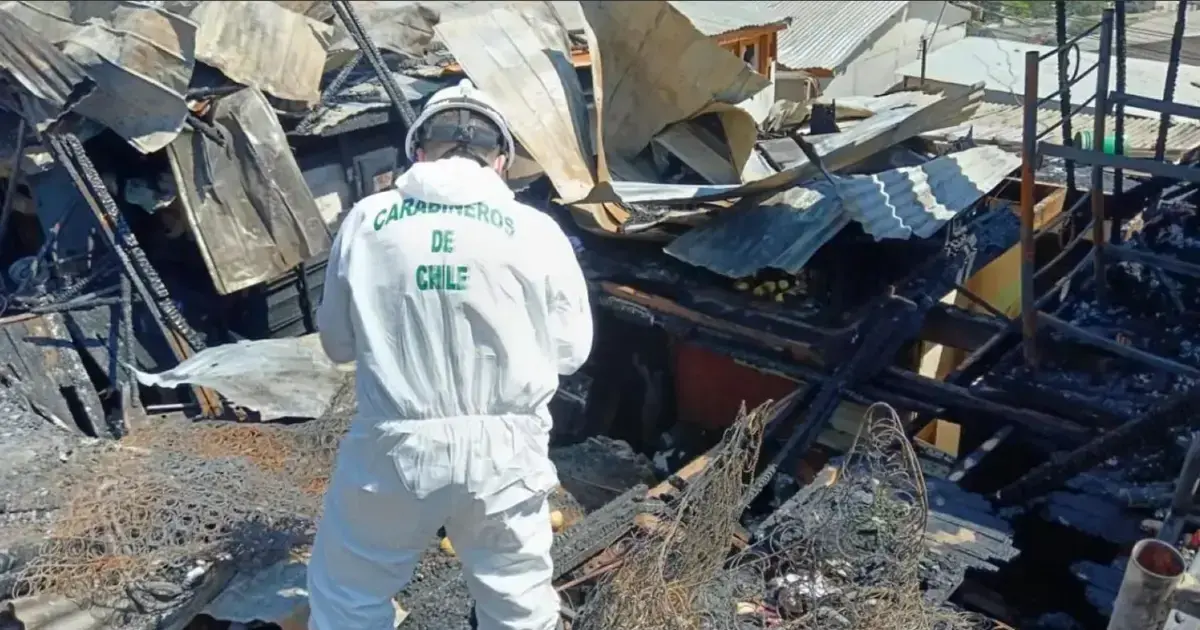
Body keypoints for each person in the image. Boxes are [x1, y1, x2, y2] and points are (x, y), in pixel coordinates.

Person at [306, 79, 594, 630]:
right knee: (519, 606)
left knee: (349, 597)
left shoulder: (367, 221)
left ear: (417, 151)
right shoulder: (538, 231)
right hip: (507, 457)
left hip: (395, 451)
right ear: (501, 161)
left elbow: (336, 343)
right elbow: (570, 351)